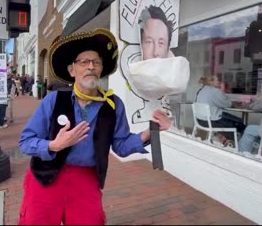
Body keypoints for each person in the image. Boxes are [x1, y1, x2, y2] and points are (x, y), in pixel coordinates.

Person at [17, 28, 172, 225]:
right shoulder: (53, 100)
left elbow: (121, 146)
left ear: (101, 70)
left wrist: (151, 131)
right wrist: (53, 145)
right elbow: (25, 141)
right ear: (72, 70)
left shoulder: (113, 105)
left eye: (96, 62)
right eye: (84, 62)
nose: (91, 66)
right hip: (46, 176)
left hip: (86, 179)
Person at [196, 75, 246, 146]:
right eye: (217, 80)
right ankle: (241, 145)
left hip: (201, 120)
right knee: (239, 122)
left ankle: (221, 138)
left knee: (229, 118)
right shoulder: (214, 91)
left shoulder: (201, 90)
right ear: (211, 82)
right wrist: (236, 103)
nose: (219, 82)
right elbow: (227, 104)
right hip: (211, 120)